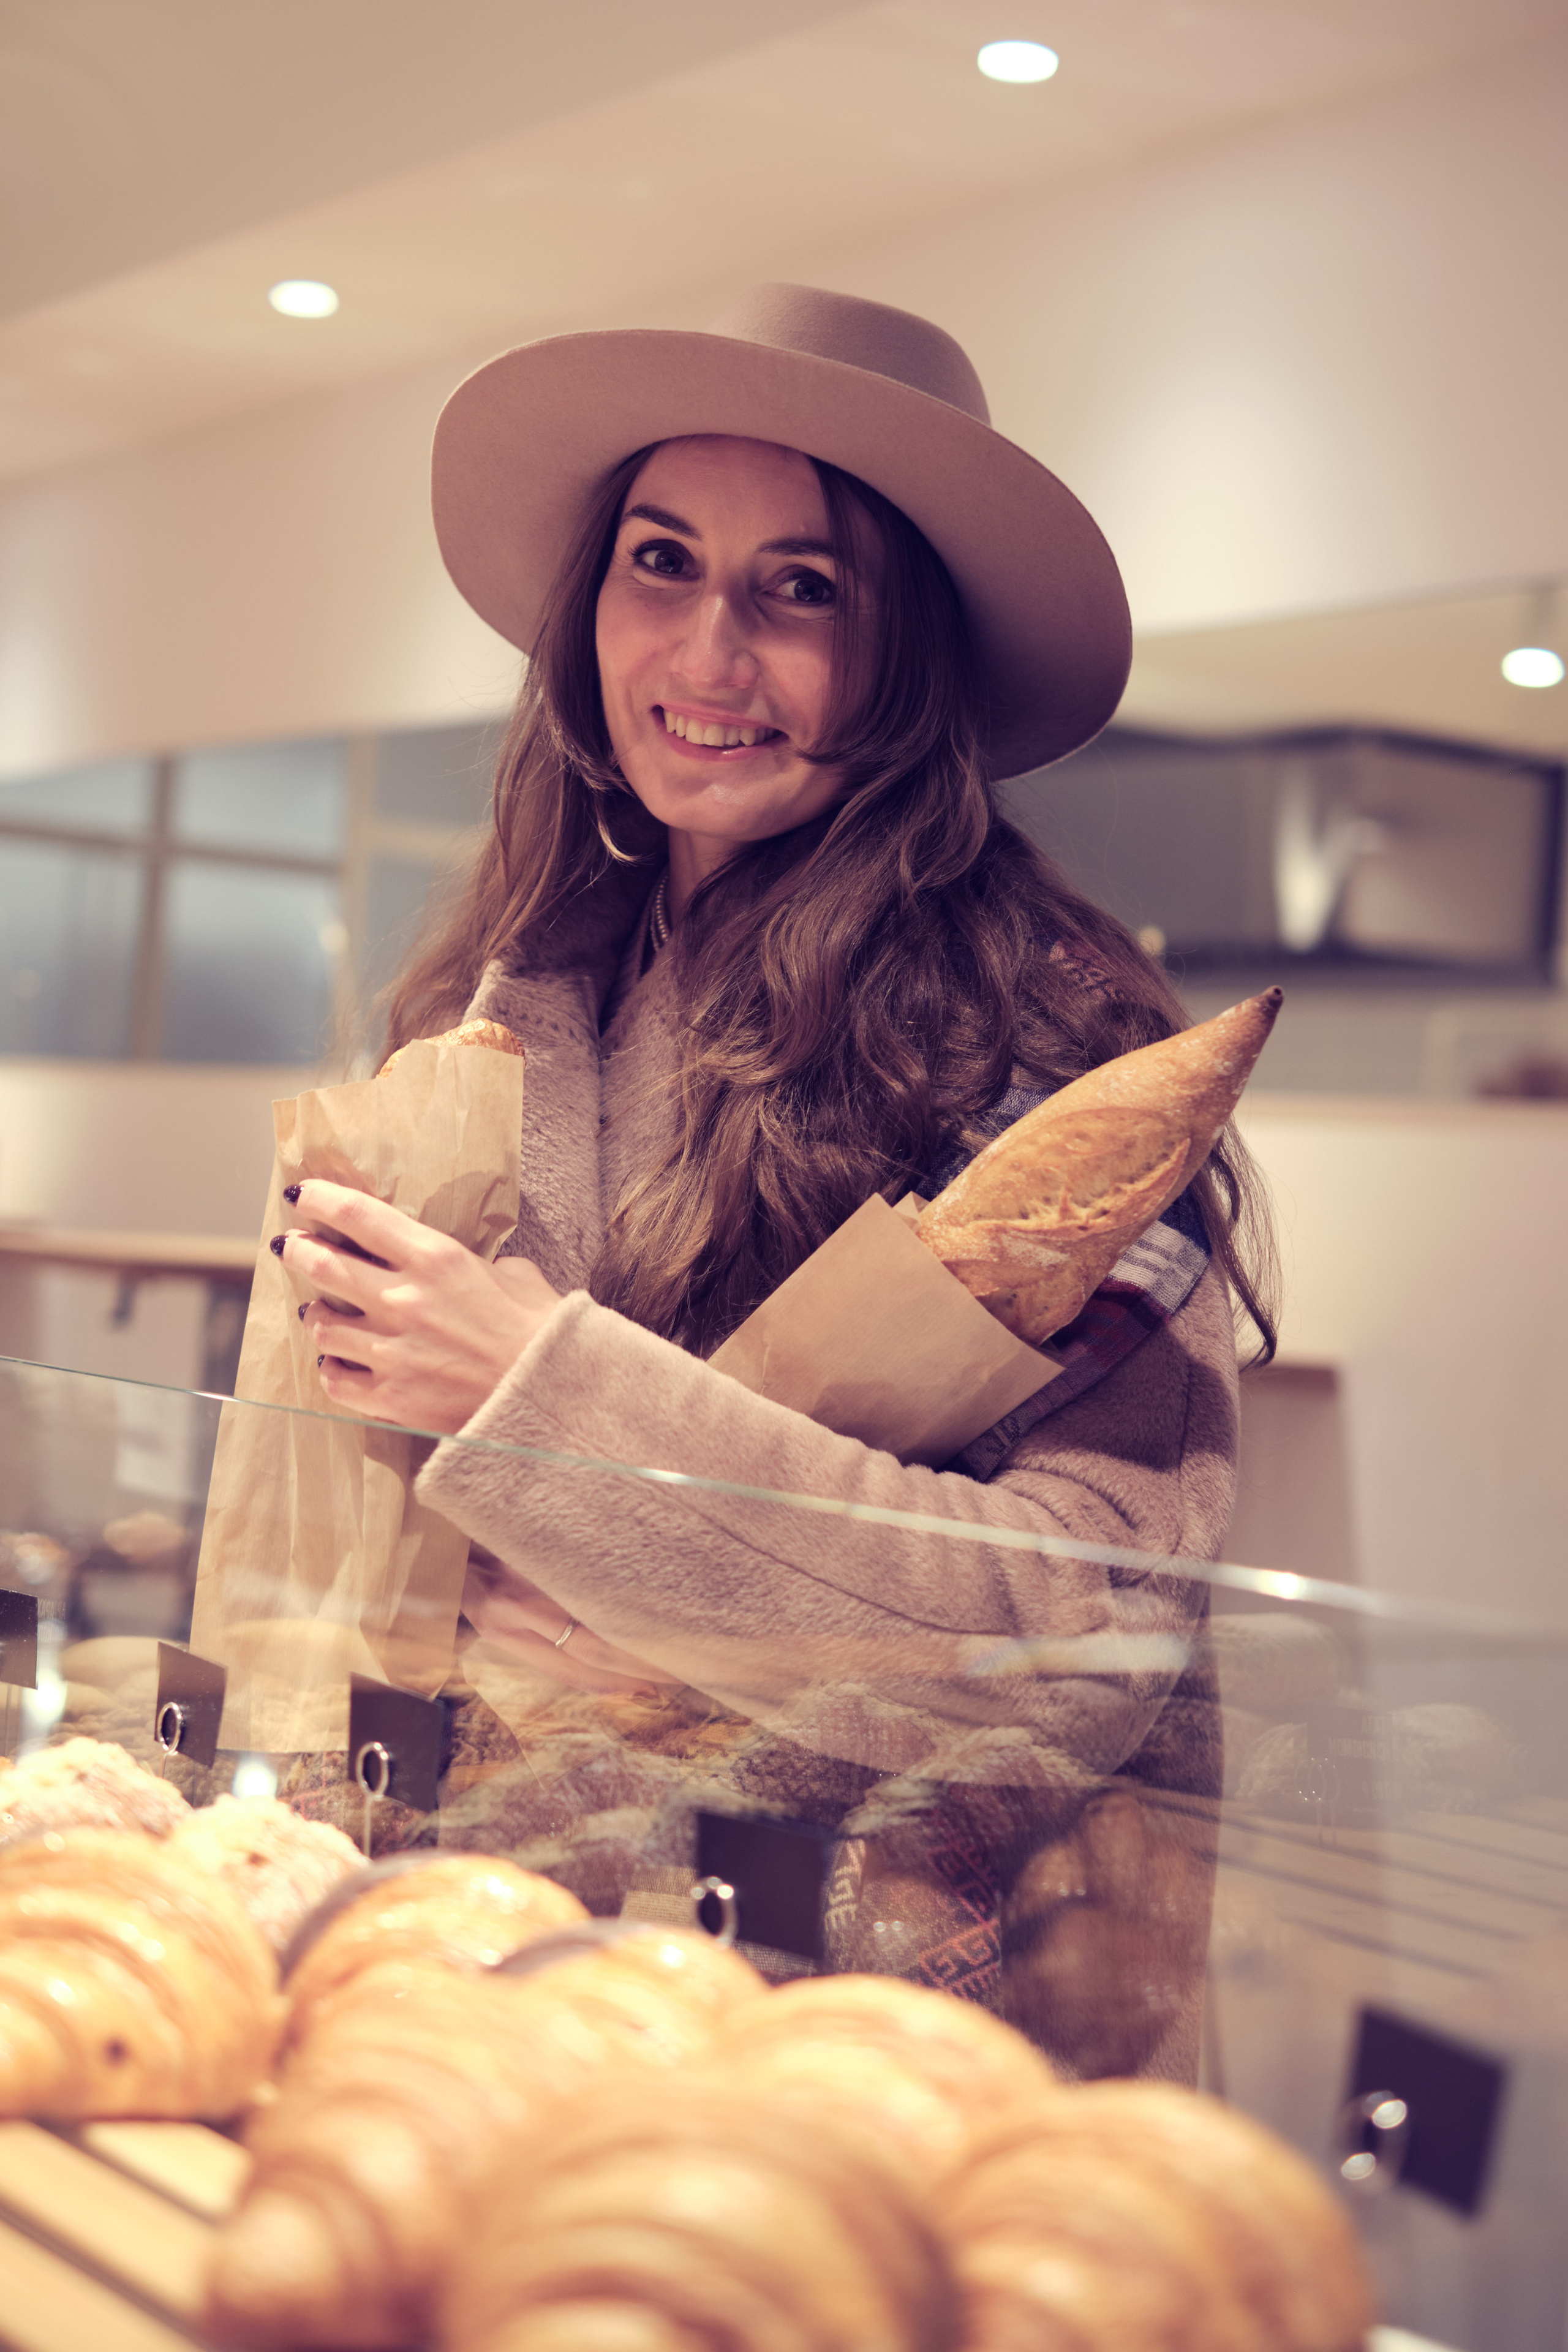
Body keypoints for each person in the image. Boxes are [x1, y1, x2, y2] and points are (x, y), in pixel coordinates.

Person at [275, 285, 1275, 2065]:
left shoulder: (1053, 1056)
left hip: (867, 2046)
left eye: (802, 590)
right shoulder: (501, 1004)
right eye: (661, 562)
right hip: (493, 1972)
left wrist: (539, 1410)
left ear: (918, 659)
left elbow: (1083, 1636)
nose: (708, 657)